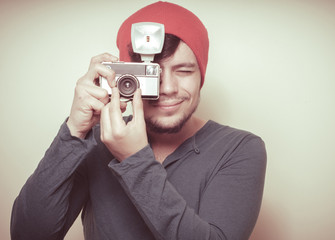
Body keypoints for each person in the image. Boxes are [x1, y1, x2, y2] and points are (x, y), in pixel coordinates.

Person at [11, 2, 266, 240]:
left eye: (184, 71)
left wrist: (135, 160)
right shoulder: (99, 138)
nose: (166, 88)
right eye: (150, 74)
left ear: (202, 77)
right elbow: (28, 234)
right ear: (123, 76)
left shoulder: (239, 148)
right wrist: (73, 133)